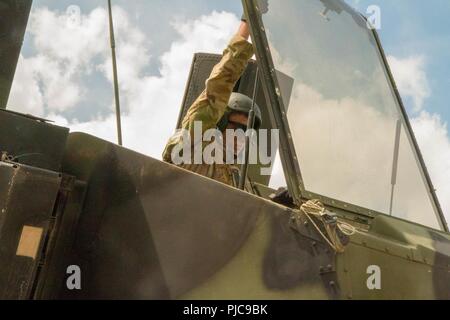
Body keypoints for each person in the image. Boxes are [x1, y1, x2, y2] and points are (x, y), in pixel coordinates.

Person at [162, 19, 263, 188]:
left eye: (247, 133)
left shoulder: (240, 182)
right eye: (237, 128)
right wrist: (248, 23)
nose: (241, 138)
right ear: (219, 124)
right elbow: (218, 87)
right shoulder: (194, 150)